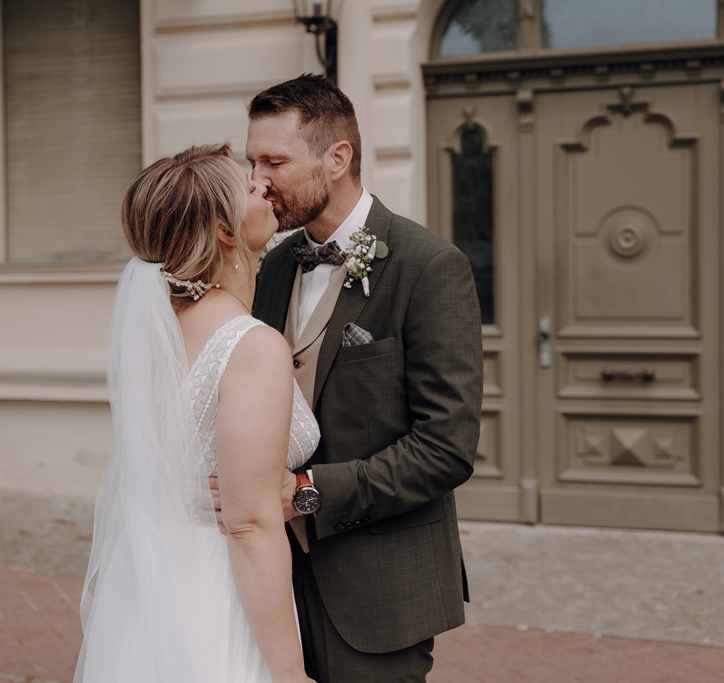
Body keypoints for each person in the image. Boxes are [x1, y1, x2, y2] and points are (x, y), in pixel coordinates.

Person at [245, 74, 483, 682]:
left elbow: (445, 449)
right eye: (252, 162)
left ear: (338, 157)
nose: (257, 181)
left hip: (379, 590)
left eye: (274, 161)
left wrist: (306, 491)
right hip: (271, 583)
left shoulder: (430, 267)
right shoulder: (273, 266)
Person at [74, 143, 318, 683]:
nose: (265, 186)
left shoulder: (154, 337)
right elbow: (250, 525)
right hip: (220, 598)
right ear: (226, 231)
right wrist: (289, 673)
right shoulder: (249, 345)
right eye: (251, 189)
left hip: (152, 588)